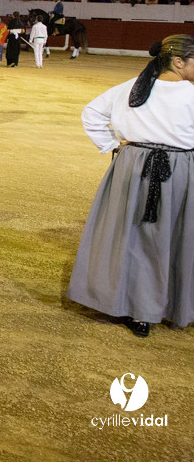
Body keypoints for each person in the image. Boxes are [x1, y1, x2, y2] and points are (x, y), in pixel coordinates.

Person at [68, 36, 194, 337]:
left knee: (132, 237)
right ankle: (168, 304)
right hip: (179, 170)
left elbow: (92, 113)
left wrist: (113, 145)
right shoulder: (190, 94)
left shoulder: (132, 87)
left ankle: (133, 306)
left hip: (133, 167)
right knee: (174, 236)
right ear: (179, 62)